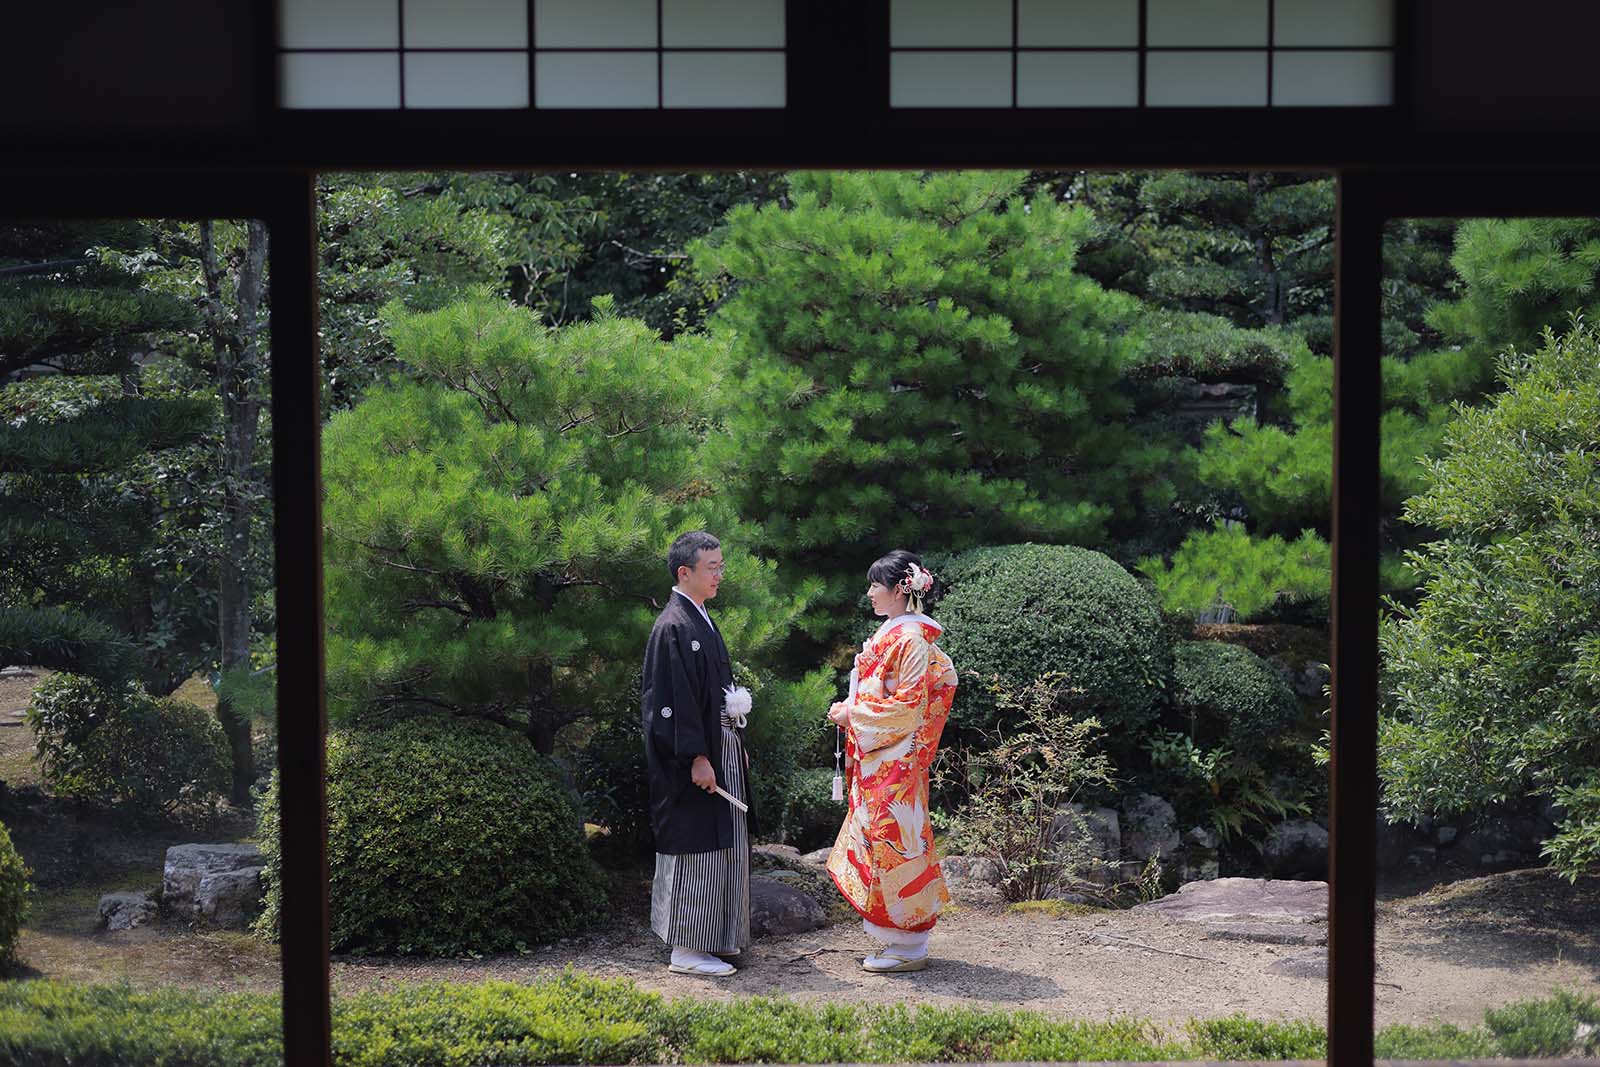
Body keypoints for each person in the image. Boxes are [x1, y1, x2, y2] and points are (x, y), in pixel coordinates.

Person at [826, 549, 958, 973]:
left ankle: (909, 943)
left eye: (875, 586)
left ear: (900, 590)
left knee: (898, 845)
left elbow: (908, 709)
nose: (869, 593)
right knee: (880, 842)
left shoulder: (912, 641)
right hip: (881, 759)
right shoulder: (895, 636)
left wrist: (853, 715)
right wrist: (851, 709)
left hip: (895, 762)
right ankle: (894, 938)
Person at [641, 530, 751, 977]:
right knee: (697, 843)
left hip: (718, 743)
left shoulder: (699, 617)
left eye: (721, 567)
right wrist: (694, 757)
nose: (719, 575)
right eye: (712, 568)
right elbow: (671, 702)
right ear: (684, 572)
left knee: (723, 841)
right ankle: (687, 949)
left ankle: (716, 938)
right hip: (692, 754)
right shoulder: (673, 625)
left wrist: (733, 747)